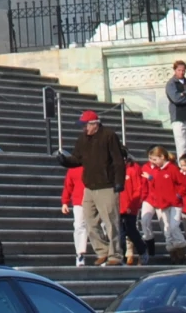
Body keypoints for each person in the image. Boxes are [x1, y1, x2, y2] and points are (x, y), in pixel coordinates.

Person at [67, 107, 129, 267]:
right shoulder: (82, 139)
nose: (83, 128)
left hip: (107, 185)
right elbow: (77, 159)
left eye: (85, 125)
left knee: (111, 222)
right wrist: (65, 161)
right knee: (89, 221)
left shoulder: (109, 136)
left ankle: (115, 254)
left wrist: (119, 181)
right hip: (89, 186)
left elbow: (118, 160)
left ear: (94, 124)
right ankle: (102, 251)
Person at [62, 157, 90, 267]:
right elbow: (68, 186)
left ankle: (103, 254)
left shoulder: (94, 166)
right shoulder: (73, 169)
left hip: (95, 200)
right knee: (79, 226)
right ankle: (80, 253)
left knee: (100, 227)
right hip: (79, 201)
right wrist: (65, 202)